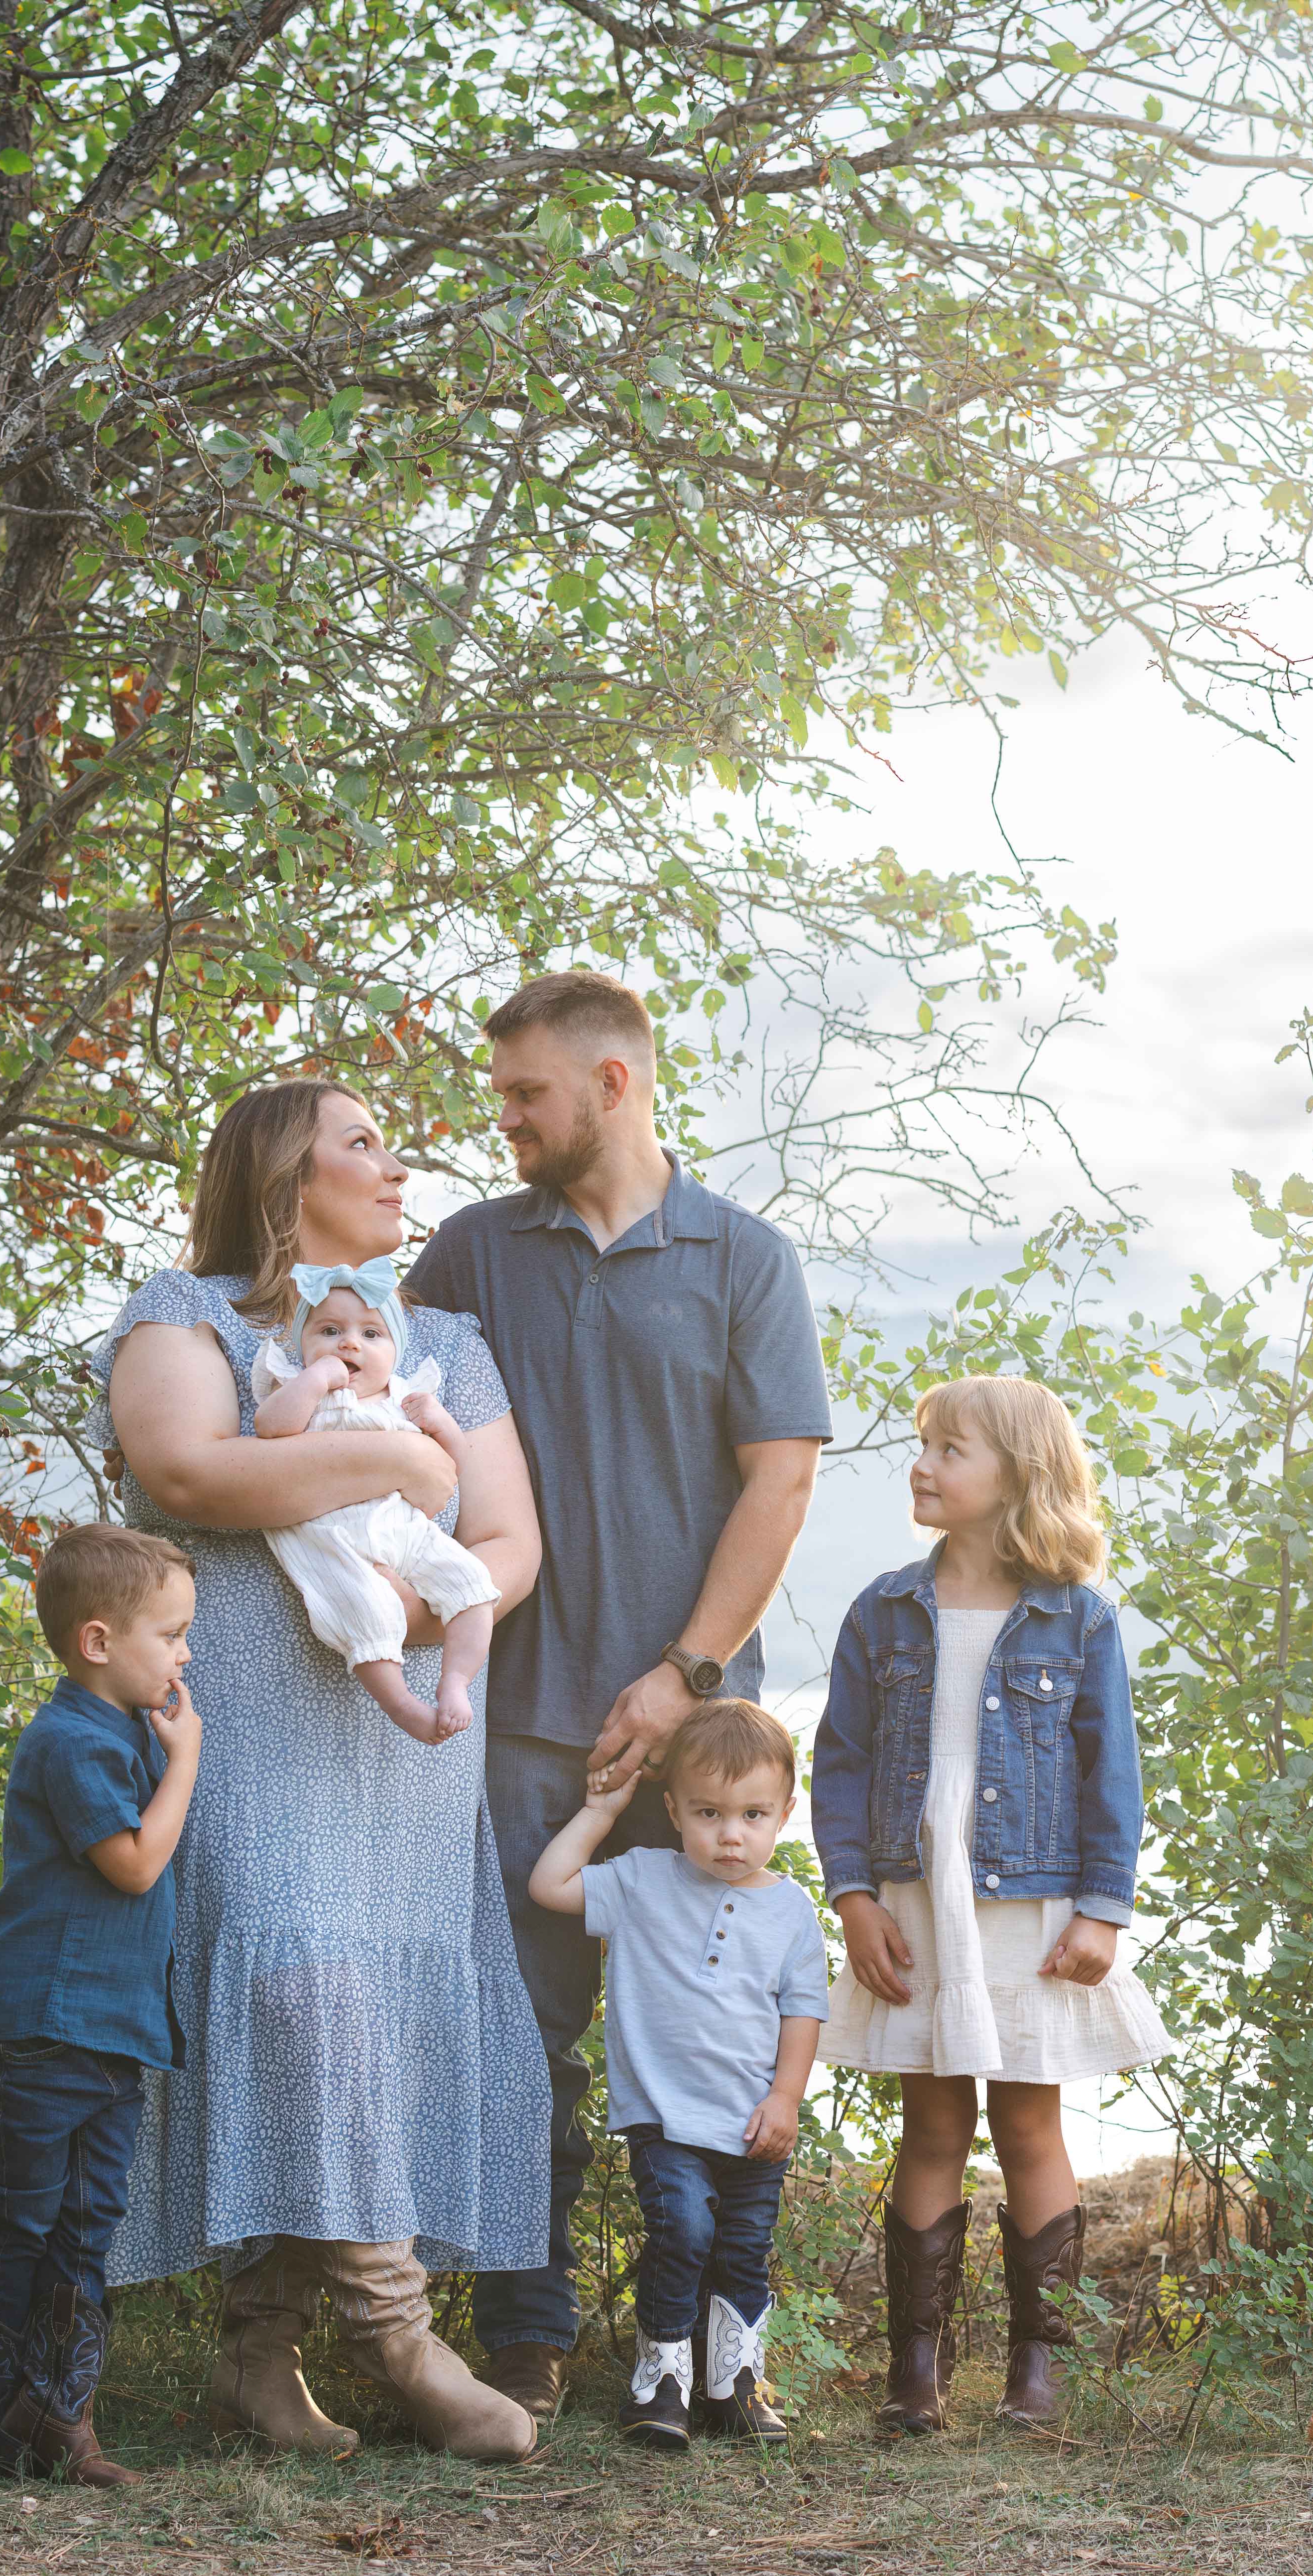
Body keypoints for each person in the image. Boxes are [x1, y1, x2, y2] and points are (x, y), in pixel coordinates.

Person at [95, 1077, 550, 2464]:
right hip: (246, 1714)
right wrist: (398, 1471)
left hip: (402, 1726)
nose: (399, 1165)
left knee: (361, 2011)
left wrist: (411, 1607)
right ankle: (397, 2334)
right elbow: (184, 1472)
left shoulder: (448, 1343)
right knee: (300, 1994)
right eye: (367, 1142)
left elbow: (512, 1541)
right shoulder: (189, 1315)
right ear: (289, 1176)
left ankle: (258, 2356)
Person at [406, 971, 831, 2418]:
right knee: (521, 2046)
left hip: (704, 1746)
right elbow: (398, 1440)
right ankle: (524, 2339)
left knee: (721, 2047)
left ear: (614, 1083)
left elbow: (782, 1479)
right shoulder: (468, 1253)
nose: (505, 1118)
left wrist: (683, 1674)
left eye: (526, 1093)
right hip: (517, 1721)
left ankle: (723, 2356)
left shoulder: (741, 1258)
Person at [813, 1374, 1170, 2432]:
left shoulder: (1078, 1619)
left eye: (948, 1448)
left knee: (1027, 2118)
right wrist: (853, 1897)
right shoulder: (880, 1610)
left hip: (1033, 1908)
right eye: (924, 1445)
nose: (922, 1464)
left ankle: (1037, 2373)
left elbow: (1115, 1776)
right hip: (916, 1903)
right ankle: (913, 2372)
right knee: (930, 2119)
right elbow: (839, 1765)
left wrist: (1103, 1907)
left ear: (1016, 1473)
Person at [0, 1522, 204, 2489]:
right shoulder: (68, 1741)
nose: (185, 1653)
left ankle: (61, 2412)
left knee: (89, 2218)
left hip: (111, 2030)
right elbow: (133, 1865)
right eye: (170, 1633)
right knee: (26, 2215)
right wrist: (186, 1763)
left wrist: (168, 1753)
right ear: (98, 1641)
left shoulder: (133, 1731)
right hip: (40, 2026)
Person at [522, 1699, 828, 2452]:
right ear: (673, 1810)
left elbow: (803, 2012)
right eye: (708, 1812)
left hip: (755, 2118)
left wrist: (786, 2098)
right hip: (664, 2117)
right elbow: (549, 1886)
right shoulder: (641, 1881)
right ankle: (662, 2377)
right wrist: (600, 1812)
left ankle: (734, 2381)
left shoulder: (792, 1911)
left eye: (754, 1814)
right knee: (684, 2230)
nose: (731, 1834)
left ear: (787, 1813)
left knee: (742, 2249)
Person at [248, 1272, 499, 1745]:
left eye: (370, 1334)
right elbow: (271, 1429)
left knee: (474, 1585)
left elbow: (454, 1469)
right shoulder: (295, 1386)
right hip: (332, 1535)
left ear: (394, 1352)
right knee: (368, 1613)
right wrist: (316, 1378)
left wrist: (442, 1425)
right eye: (328, 1332)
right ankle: (402, 1705)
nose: (349, 1345)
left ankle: (456, 1681)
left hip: (404, 1526)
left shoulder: (406, 1399)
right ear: (302, 1344)